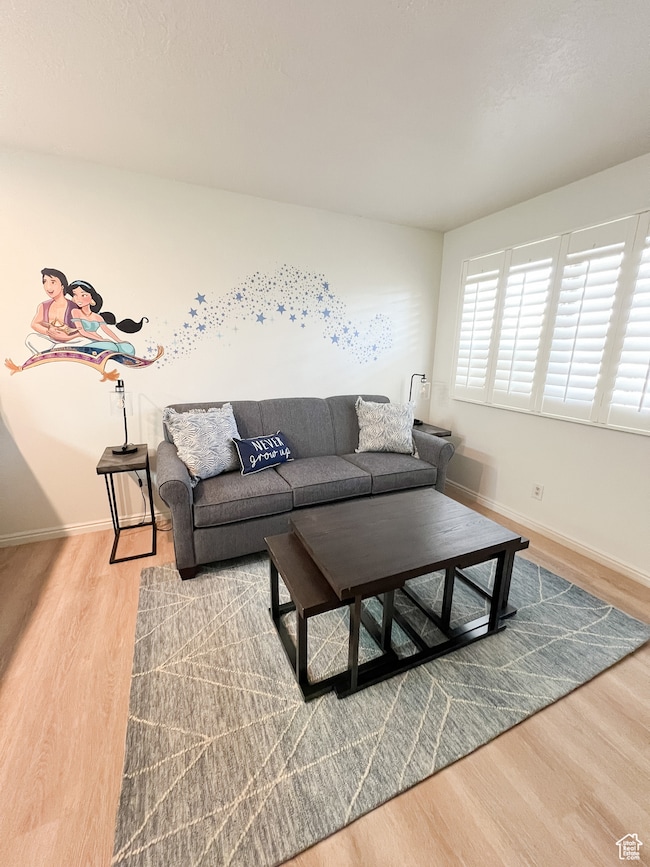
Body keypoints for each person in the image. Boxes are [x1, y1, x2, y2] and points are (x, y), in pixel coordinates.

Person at [66, 280, 137, 355]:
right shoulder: (75, 312)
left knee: (128, 348)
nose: (78, 299)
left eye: (83, 295)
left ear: (92, 299)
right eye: (75, 295)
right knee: (111, 347)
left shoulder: (97, 317)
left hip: (98, 341)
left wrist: (119, 341)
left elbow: (107, 330)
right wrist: (101, 339)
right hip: (84, 341)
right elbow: (82, 331)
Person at [25, 268, 84, 353]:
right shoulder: (43, 306)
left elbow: (83, 330)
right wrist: (48, 331)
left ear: (62, 286)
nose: (48, 287)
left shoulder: (74, 306)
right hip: (51, 340)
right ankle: (57, 350)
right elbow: (34, 324)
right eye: (45, 282)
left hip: (70, 341)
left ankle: (55, 350)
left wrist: (67, 337)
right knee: (30, 338)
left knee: (83, 341)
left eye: (53, 282)